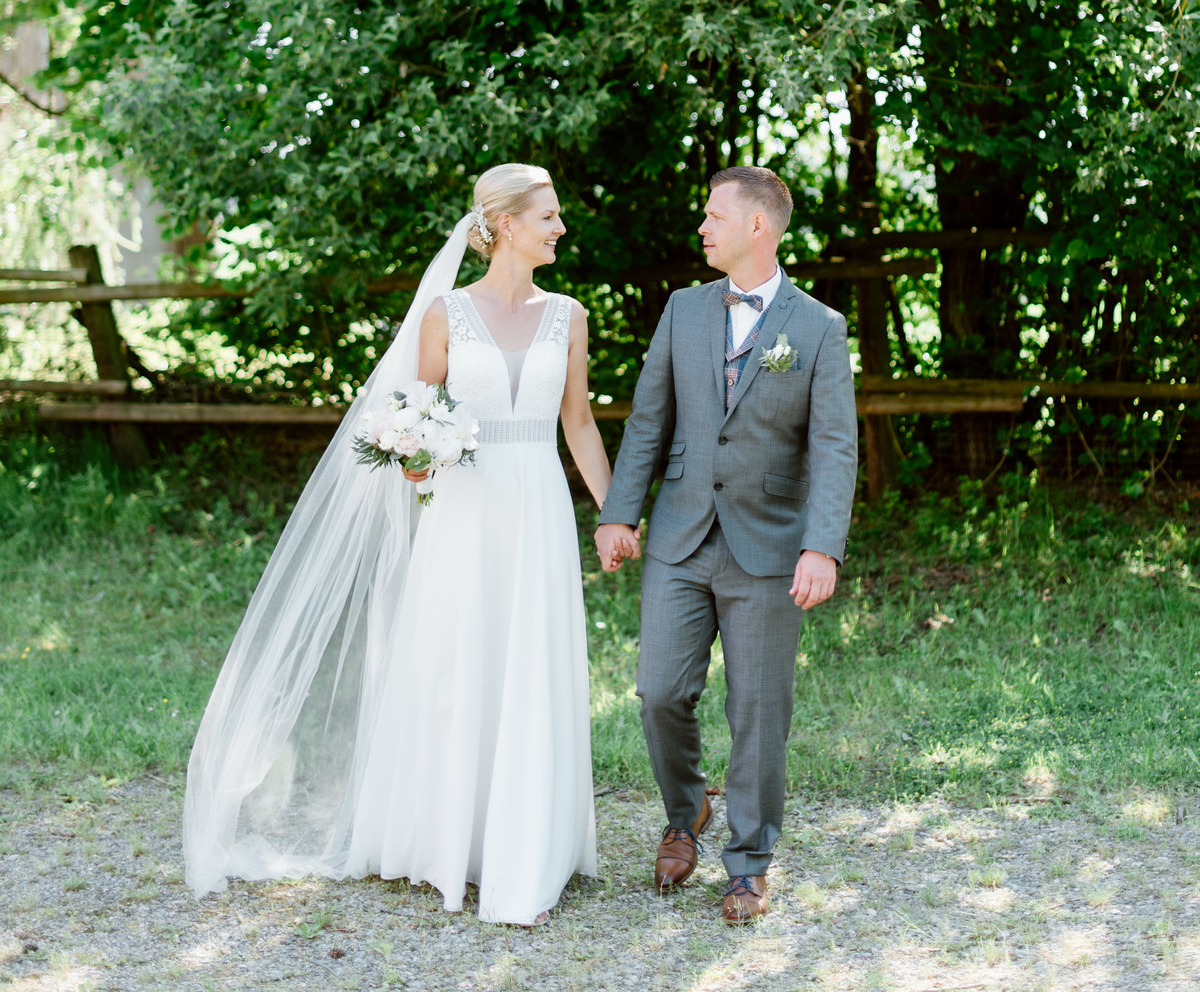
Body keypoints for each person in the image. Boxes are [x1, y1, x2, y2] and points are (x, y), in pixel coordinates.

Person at [185, 163, 613, 927]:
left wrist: (614, 513)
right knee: (461, 660)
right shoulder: (444, 314)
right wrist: (417, 451)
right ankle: (449, 840)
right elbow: (422, 419)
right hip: (465, 508)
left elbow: (578, 422)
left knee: (531, 657)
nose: (560, 228)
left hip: (540, 504)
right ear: (505, 223)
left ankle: (530, 837)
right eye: (547, 216)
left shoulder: (570, 316)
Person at [595, 165, 858, 923]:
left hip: (772, 546)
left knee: (760, 708)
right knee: (660, 692)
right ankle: (687, 813)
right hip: (680, 536)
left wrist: (823, 546)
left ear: (758, 228)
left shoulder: (819, 327)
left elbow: (837, 446)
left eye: (714, 215)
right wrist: (620, 513)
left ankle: (748, 864)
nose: (703, 226)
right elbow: (649, 419)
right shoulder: (682, 309)